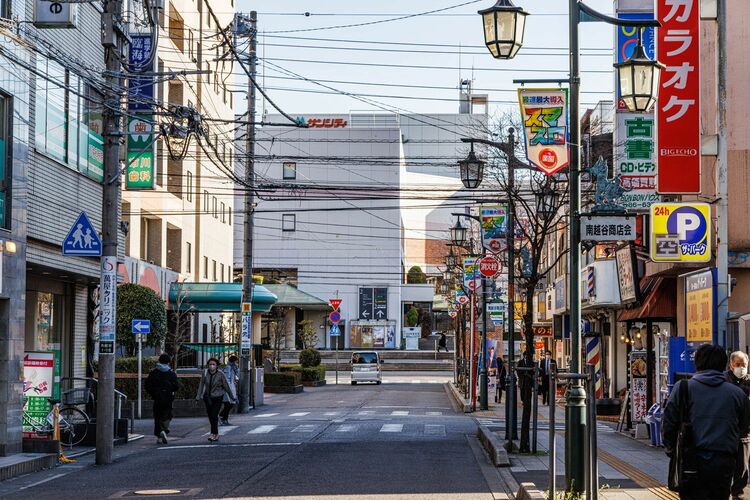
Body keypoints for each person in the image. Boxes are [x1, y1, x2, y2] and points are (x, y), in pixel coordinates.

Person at [662, 344, 750, 500]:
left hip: (690, 460)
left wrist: (672, 451)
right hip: (724, 461)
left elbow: (668, 424)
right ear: (725, 364)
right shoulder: (737, 394)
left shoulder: (683, 388)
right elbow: (744, 429)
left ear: (697, 363)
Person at [727, 351, 750, 500]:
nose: (741, 368)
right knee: (726, 463)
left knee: (742, 466)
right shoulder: (724, 381)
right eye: (737, 364)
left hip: (745, 431)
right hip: (726, 430)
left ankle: (737, 493)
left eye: (744, 365)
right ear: (731, 365)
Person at [145, 353, 179, 444]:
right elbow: (176, 386)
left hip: (157, 398)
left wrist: (154, 393)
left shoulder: (153, 373)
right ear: (168, 362)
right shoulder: (171, 374)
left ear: (159, 361)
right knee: (167, 415)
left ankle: (159, 434)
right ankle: (164, 429)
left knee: (157, 416)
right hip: (168, 398)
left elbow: (147, 386)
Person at [196, 357, 232, 442]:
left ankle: (213, 433)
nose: (212, 366)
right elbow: (201, 386)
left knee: (214, 415)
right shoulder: (205, 373)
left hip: (218, 397)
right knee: (210, 416)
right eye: (210, 364)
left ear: (216, 366)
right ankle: (215, 434)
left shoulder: (221, 374)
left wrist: (232, 396)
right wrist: (198, 397)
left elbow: (226, 386)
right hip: (207, 397)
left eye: (213, 364)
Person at [220, 355, 239, 426]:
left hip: (231, 389)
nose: (236, 363)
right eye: (235, 361)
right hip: (227, 390)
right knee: (228, 404)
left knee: (231, 404)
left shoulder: (233, 368)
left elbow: (237, 377)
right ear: (233, 361)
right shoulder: (228, 368)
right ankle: (224, 419)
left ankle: (222, 417)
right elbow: (226, 379)